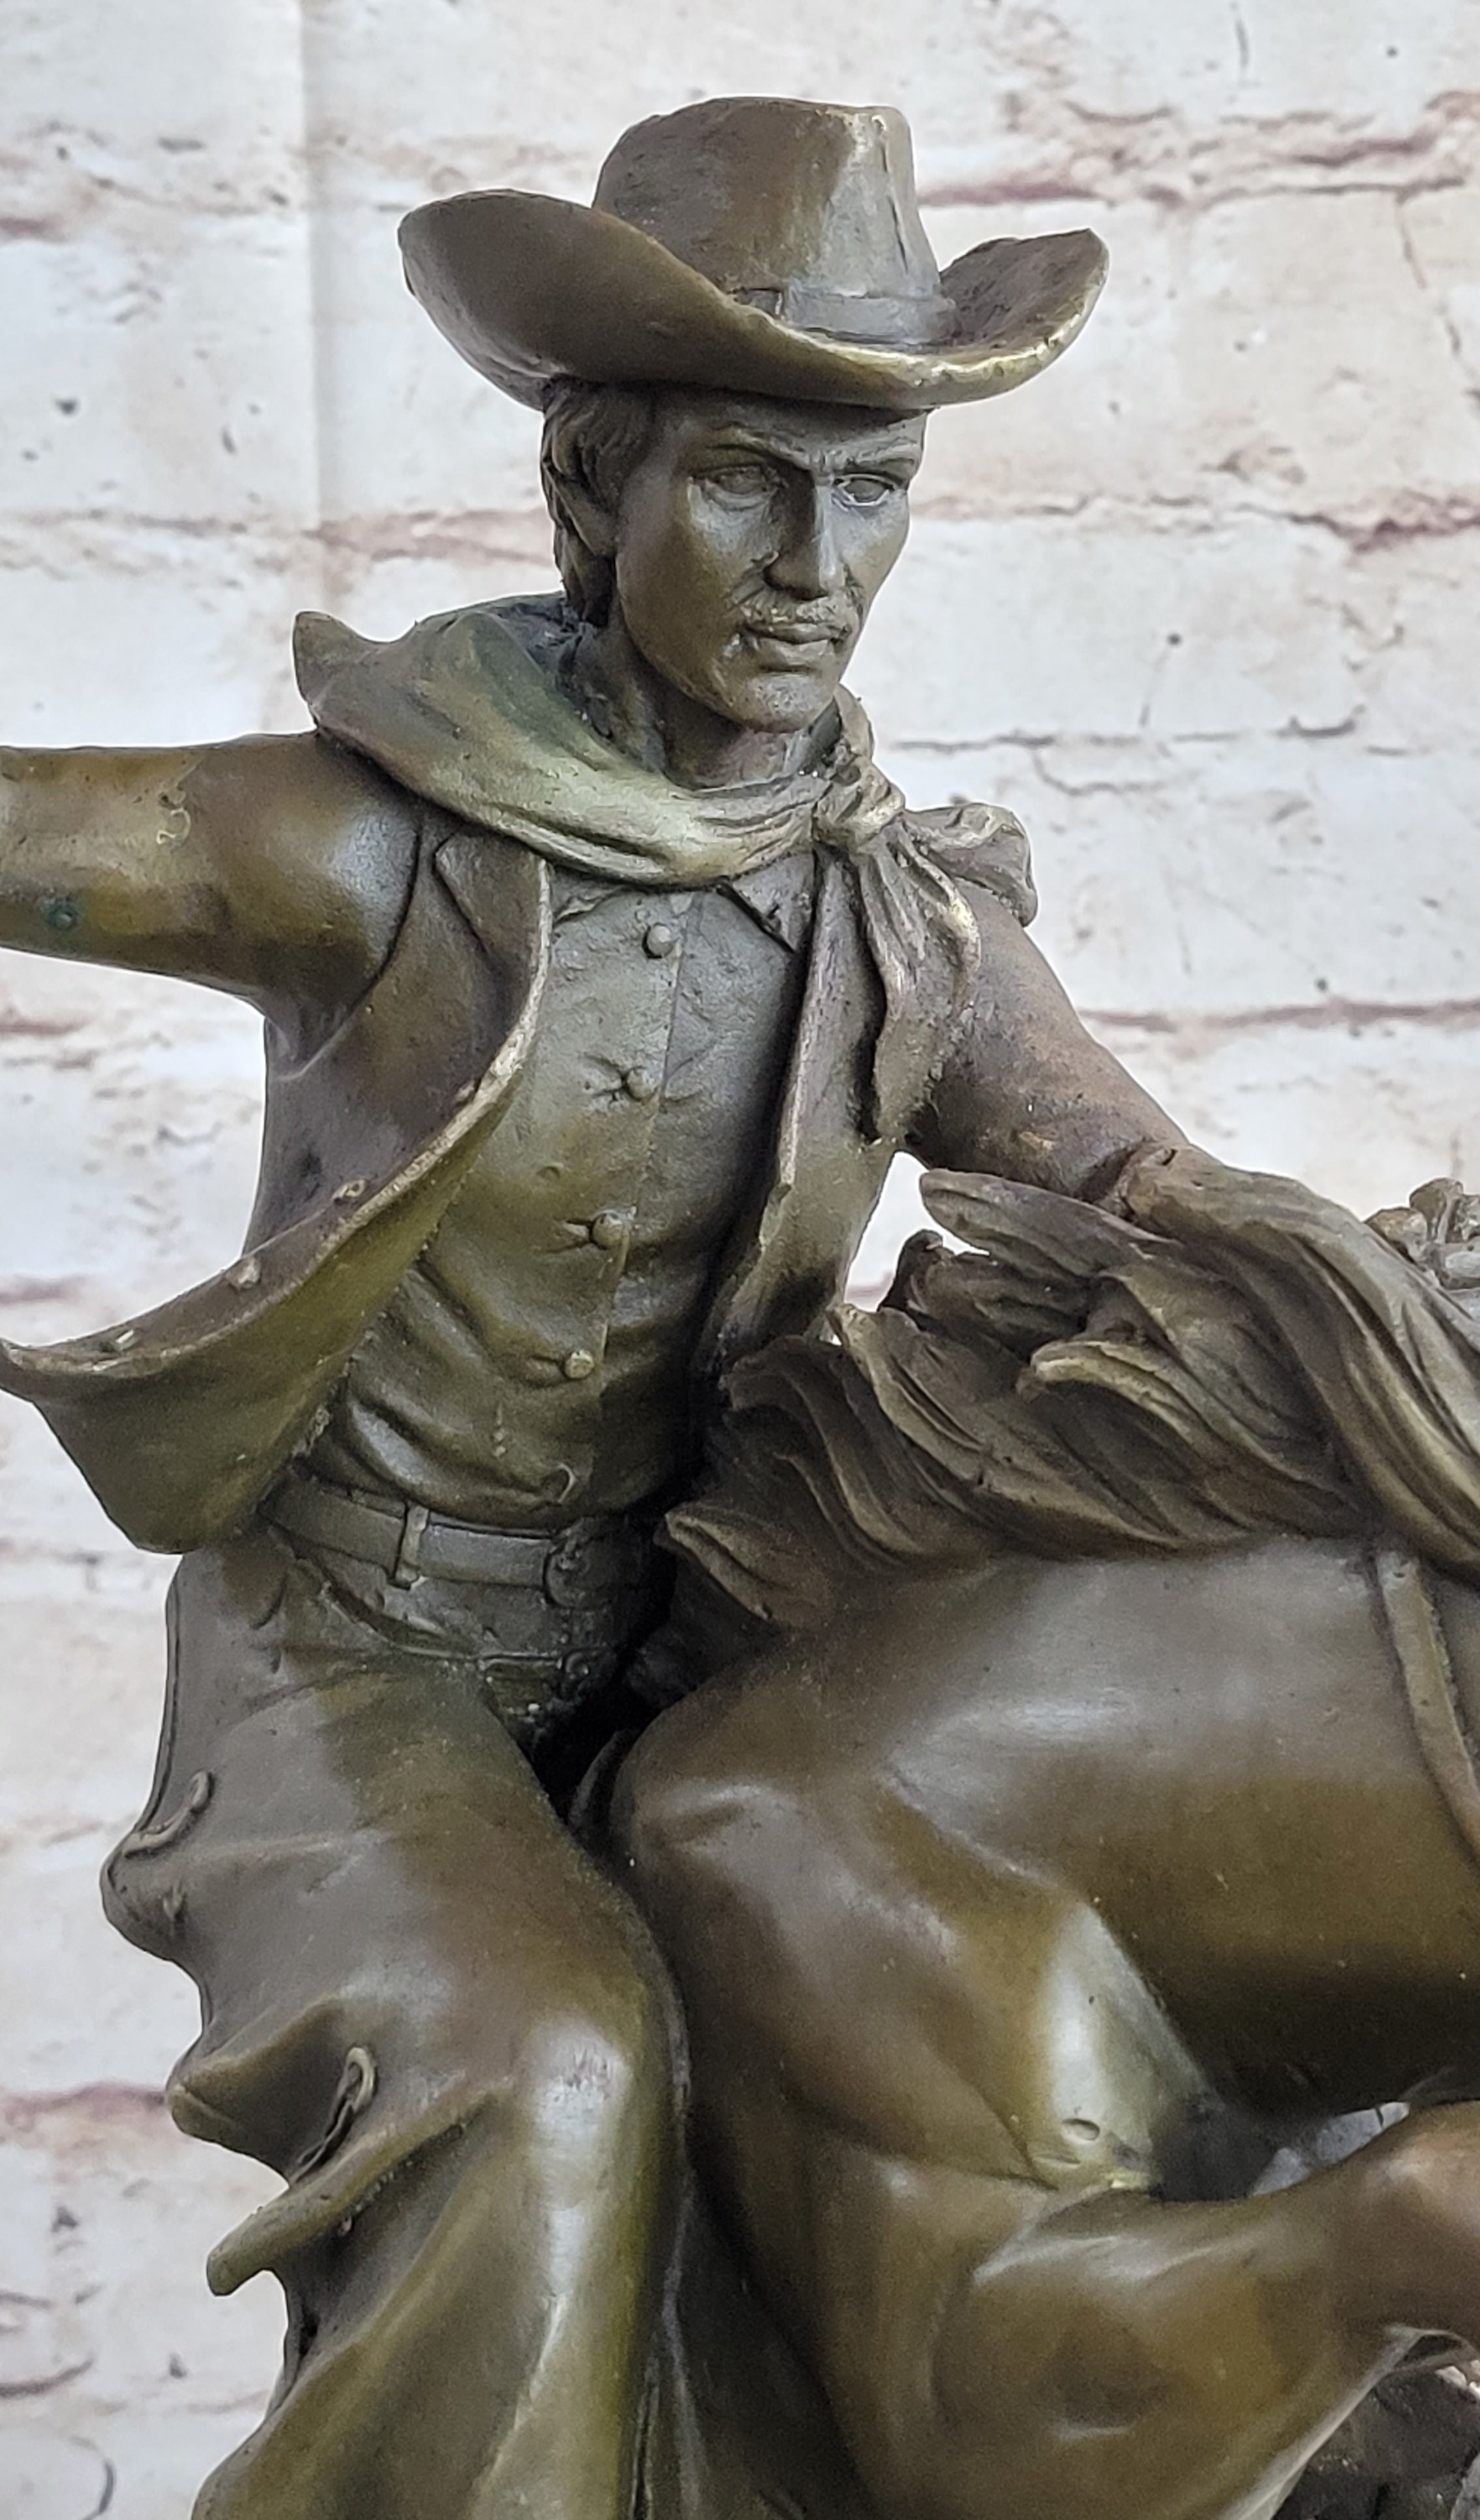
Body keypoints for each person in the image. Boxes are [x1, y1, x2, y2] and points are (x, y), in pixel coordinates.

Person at [0, 96, 1181, 2519]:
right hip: (355, 1659)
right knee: (538, 2074)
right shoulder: (363, 843)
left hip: (719, 1656)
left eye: (871, 495)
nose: (817, 570)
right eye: (746, 485)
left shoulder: (907, 922)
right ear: (588, 485)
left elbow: (1176, 1219)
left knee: (1074, 2045)